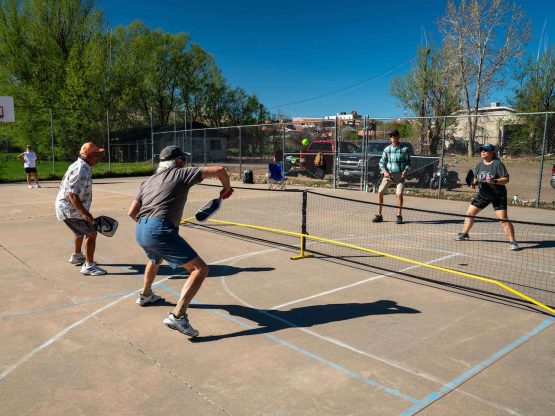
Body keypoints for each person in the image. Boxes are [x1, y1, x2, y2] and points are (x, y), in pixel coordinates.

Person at [128, 145, 233, 338]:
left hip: (140, 228)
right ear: (178, 161)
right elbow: (219, 170)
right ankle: (178, 315)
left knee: (155, 260)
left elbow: (131, 212)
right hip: (159, 229)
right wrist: (226, 188)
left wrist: (150, 227)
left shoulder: (148, 181)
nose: (185, 162)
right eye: (183, 159)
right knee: (200, 269)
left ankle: (146, 295)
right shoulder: (180, 173)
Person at [454, 143, 520, 251]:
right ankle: (465, 234)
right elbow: (476, 179)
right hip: (483, 194)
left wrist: (495, 181)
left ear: (492, 153)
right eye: (481, 150)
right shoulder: (479, 165)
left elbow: (506, 179)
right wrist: (473, 183)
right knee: (470, 214)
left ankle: (513, 242)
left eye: (485, 150)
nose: (482, 152)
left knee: (503, 219)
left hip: (497, 195)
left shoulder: (498, 164)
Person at [55, 142, 107, 275]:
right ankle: (89, 266)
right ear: (89, 156)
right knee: (91, 233)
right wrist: (84, 213)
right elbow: (72, 194)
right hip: (70, 208)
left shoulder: (81, 165)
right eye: (97, 155)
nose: (99, 158)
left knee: (79, 231)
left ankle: (77, 256)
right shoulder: (81, 169)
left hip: (68, 207)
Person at [372, 130, 411, 224]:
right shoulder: (387, 149)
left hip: (400, 176)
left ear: (398, 137)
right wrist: (385, 172)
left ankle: (399, 215)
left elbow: (409, 163)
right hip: (388, 175)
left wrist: (405, 171)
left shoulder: (404, 149)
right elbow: (381, 162)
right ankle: (379, 215)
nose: (393, 138)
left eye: (395, 136)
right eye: (392, 137)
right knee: (380, 192)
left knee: (399, 194)